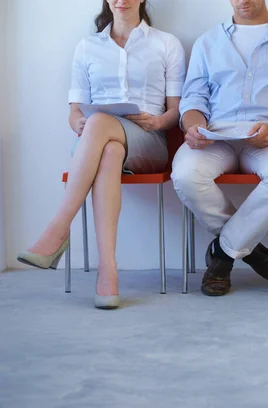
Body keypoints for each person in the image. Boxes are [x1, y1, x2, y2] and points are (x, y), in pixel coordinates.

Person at [17, 0, 186, 309]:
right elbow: (74, 112)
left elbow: (177, 111)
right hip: (97, 142)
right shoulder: (87, 47)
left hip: (148, 141)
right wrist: (80, 122)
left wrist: (158, 121)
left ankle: (58, 229)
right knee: (107, 148)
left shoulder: (166, 44)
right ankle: (108, 270)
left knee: (100, 126)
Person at [171, 0, 268, 297]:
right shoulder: (207, 41)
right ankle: (251, 251)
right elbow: (193, 99)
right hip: (215, 137)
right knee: (185, 174)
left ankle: (222, 257)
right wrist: (193, 126)